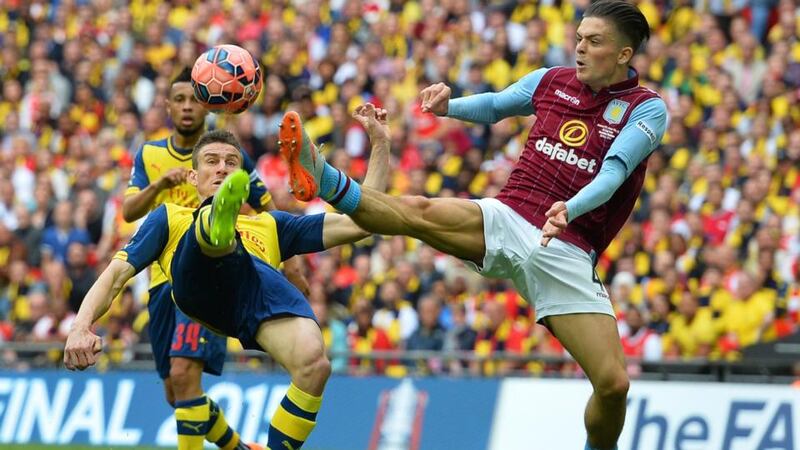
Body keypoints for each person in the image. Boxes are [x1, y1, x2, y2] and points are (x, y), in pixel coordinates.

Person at [278, 2, 667, 449]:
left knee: (613, 384)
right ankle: (320, 174)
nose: (579, 48)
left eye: (593, 41)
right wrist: (449, 107)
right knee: (417, 212)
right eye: (579, 37)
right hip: (507, 216)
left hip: (567, 247)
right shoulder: (552, 80)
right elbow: (499, 104)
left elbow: (614, 173)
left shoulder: (646, 108)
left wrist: (571, 209)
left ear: (623, 54)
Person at [64, 103, 390, 450]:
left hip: (252, 297)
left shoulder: (271, 224)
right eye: (212, 162)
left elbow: (362, 221)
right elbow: (116, 274)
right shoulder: (169, 216)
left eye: (231, 163)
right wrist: (80, 326)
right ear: (193, 177)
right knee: (208, 237)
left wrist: (381, 142)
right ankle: (216, 224)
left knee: (314, 363)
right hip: (196, 284)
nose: (222, 168)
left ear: (243, 179)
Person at [120, 67, 309, 450]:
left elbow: (266, 208)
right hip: (162, 281)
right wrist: (160, 184)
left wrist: (292, 264)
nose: (188, 107)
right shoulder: (151, 154)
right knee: (176, 393)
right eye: (180, 100)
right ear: (168, 107)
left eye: (194, 99)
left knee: (184, 372)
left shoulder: (229, 157)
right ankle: (236, 447)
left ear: (208, 104)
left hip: (207, 275)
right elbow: (128, 211)